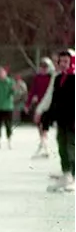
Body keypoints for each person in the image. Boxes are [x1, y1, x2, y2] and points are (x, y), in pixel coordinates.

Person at [34, 49, 75, 192]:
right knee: (62, 145)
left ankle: (74, 177)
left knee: (72, 146)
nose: (63, 64)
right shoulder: (58, 78)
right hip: (62, 119)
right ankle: (67, 174)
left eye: (66, 61)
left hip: (73, 121)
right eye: (61, 61)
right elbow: (53, 99)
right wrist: (46, 115)